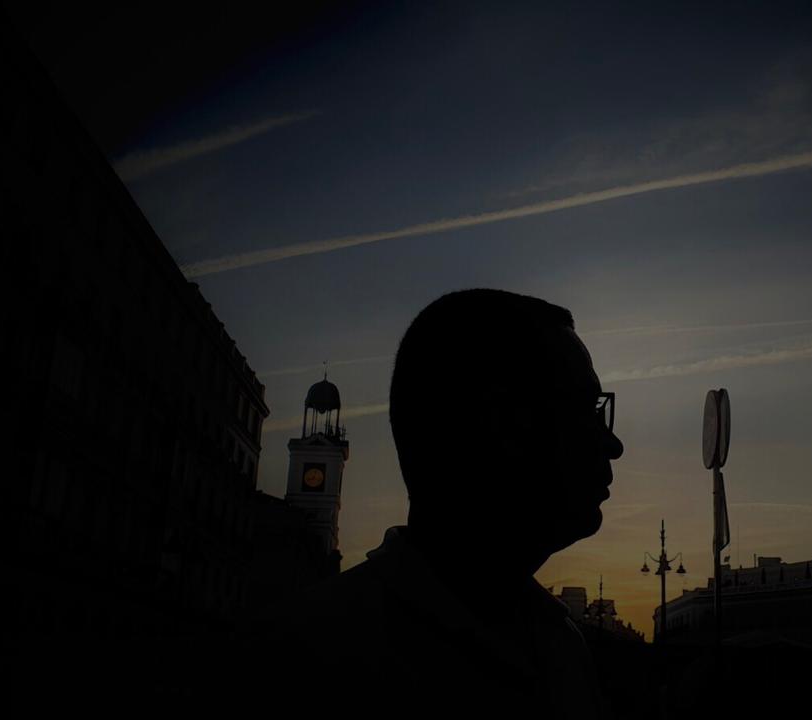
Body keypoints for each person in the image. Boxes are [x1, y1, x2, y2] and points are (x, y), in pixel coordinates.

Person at [233, 289, 624, 718]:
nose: (613, 444)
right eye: (585, 408)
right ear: (496, 419)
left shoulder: (563, 645)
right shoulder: (299, 668)